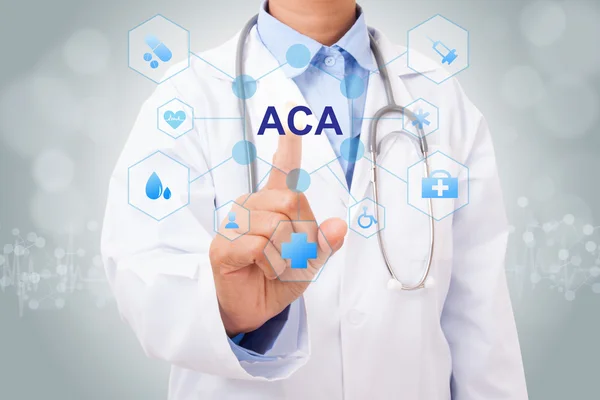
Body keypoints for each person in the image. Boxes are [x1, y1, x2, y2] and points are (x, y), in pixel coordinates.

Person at [101, 0, 528, 398]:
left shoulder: (440, 97)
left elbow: (482, 321)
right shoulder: (187, 97)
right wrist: (228, 310)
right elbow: (141, 273)